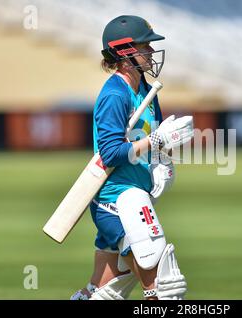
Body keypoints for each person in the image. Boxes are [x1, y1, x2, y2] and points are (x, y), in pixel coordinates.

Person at [70, 15, 193, 300]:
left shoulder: (148, 92)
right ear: (125, 52)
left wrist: (165, 153)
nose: (150, 52)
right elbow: (111, 152)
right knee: (163, 289)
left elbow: (150, 144)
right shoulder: (115, 94)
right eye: (144, 46)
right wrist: (156, 140)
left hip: (137, 194)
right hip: (114, 200)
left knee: (103, 291)